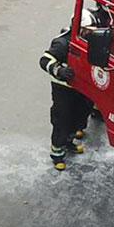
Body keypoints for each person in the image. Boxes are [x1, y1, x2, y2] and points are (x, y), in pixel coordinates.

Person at [39, 28, 88, 171]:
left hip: (81, 88)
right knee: (62, 119)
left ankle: (69, 141)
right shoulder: (62, 43)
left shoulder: (86, 41)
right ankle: (57, 153)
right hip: (63, 89)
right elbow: (45, 60)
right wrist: (59, 71)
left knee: (79, 116)